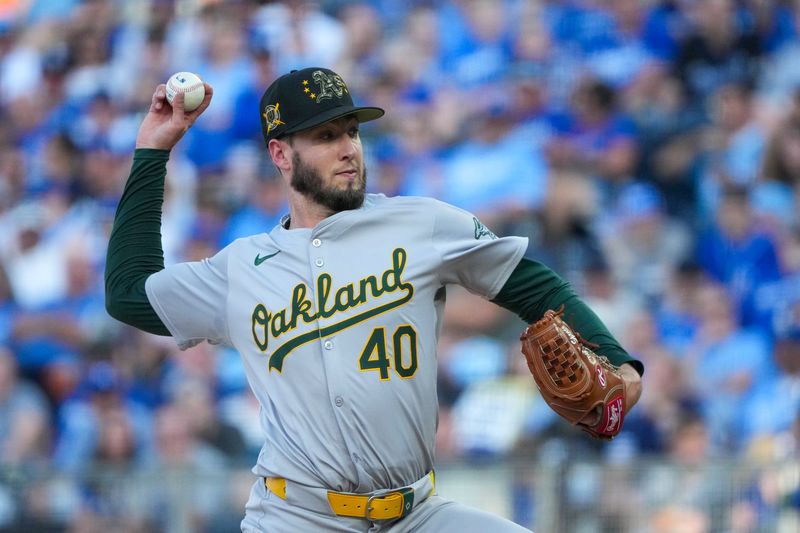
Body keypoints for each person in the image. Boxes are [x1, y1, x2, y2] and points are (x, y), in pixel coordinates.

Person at [104, 66, 643, 532]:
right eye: (324, 136)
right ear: (280, 153)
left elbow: (532, 284)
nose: (347, 148)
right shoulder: (241, 267)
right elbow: (129, 294)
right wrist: (154, 151)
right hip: (298, 518)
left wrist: (618, 361)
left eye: (351, 131)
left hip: (415, 514)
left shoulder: (419, 223)